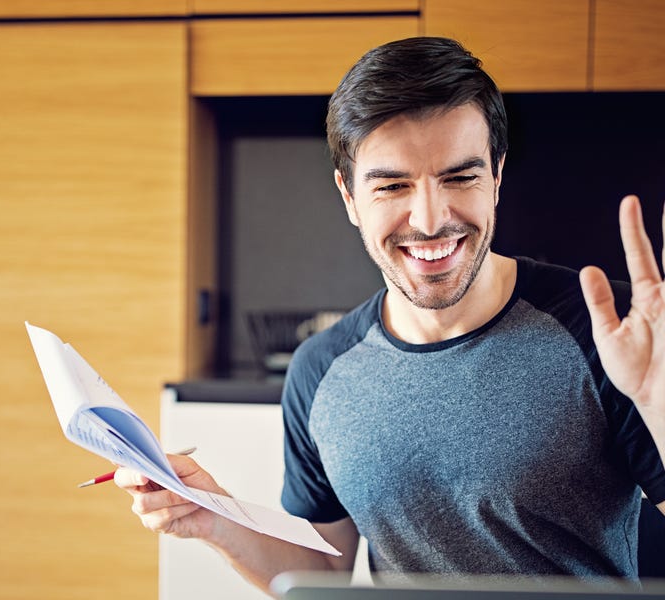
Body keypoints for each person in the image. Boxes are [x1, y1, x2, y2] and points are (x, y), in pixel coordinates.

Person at [115, 37, 665, 593]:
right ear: (349, 196)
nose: (429, 219)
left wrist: (659, 402)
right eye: (393, 185)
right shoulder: (320, 369)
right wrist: (213, 515)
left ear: (496, 176)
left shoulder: (610, 332)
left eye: (459, 177)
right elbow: (323, 569)